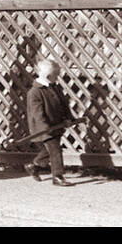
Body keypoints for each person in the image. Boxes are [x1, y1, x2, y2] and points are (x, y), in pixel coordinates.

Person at [26, 58, 76, 187]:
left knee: (48, 152)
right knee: (55, 150)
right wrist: (45, 128)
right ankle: (58, 176)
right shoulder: (35, 92)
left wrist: (69, 118)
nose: (57, 78)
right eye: (56, 76)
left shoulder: (54, 87)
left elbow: (64, 104)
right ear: (49, 76)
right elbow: (37, 113)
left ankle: (34, 166)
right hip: (43, 128)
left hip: (56, 125)